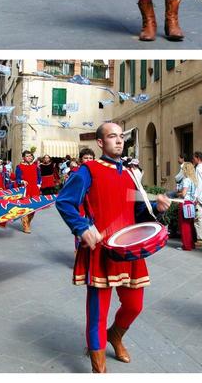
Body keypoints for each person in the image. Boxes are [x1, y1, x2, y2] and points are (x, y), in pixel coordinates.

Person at [55, 121, 171, 373]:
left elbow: (137, 209)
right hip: (101, 250)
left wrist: (156, 207)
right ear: (100, 143)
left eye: (121, 137)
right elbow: (64, 201)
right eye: (112, 137)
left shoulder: (131, 173)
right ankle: (99, 369)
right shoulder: (88, 170)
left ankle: (115, 335)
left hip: (129, 249)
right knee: (98, 312)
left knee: (134, 306)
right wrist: (82, 227)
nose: (119, 141)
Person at [13, 150, 42, 232]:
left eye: (30, 156)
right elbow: (17, 179)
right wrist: (22, 181)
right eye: (27, 156)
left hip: (35, 189)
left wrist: (39, 184)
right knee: (26, 207)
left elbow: (39, 177)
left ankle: (27, 222)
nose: (30, 157)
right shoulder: (19, 167)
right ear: (23, 158)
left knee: (34, 208)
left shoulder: (35, 166)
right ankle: (25, 225)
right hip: (25, 190)